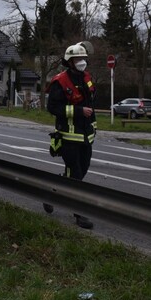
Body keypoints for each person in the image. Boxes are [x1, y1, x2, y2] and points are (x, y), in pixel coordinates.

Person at [45, 42, 96, 229]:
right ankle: (79, 214)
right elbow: (53, 107)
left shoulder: (87, 79)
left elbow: (92, 104)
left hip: (86, 137)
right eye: (78, 59)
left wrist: (94, 127)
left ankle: (52, 193)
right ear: (69, 61)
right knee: (74, 173)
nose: (82, 62)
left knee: (81, 171)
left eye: (84, 59)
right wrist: (78, 111)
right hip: (68, 137)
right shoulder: (60, 82)